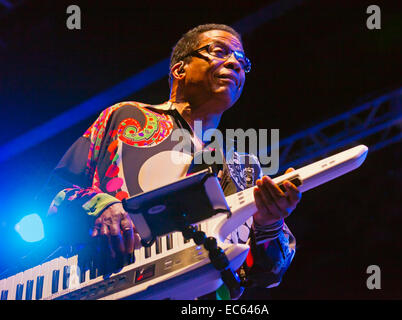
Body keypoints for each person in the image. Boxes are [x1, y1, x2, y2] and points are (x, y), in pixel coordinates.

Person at [45, 23, 301, 299]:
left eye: (242, 61)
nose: (234, 64)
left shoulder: (245, 168)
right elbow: (52, 195)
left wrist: (269, 222)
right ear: (180, 69)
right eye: (219, 52)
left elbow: (269, 274)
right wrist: (102, 206)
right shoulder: (127, 118)